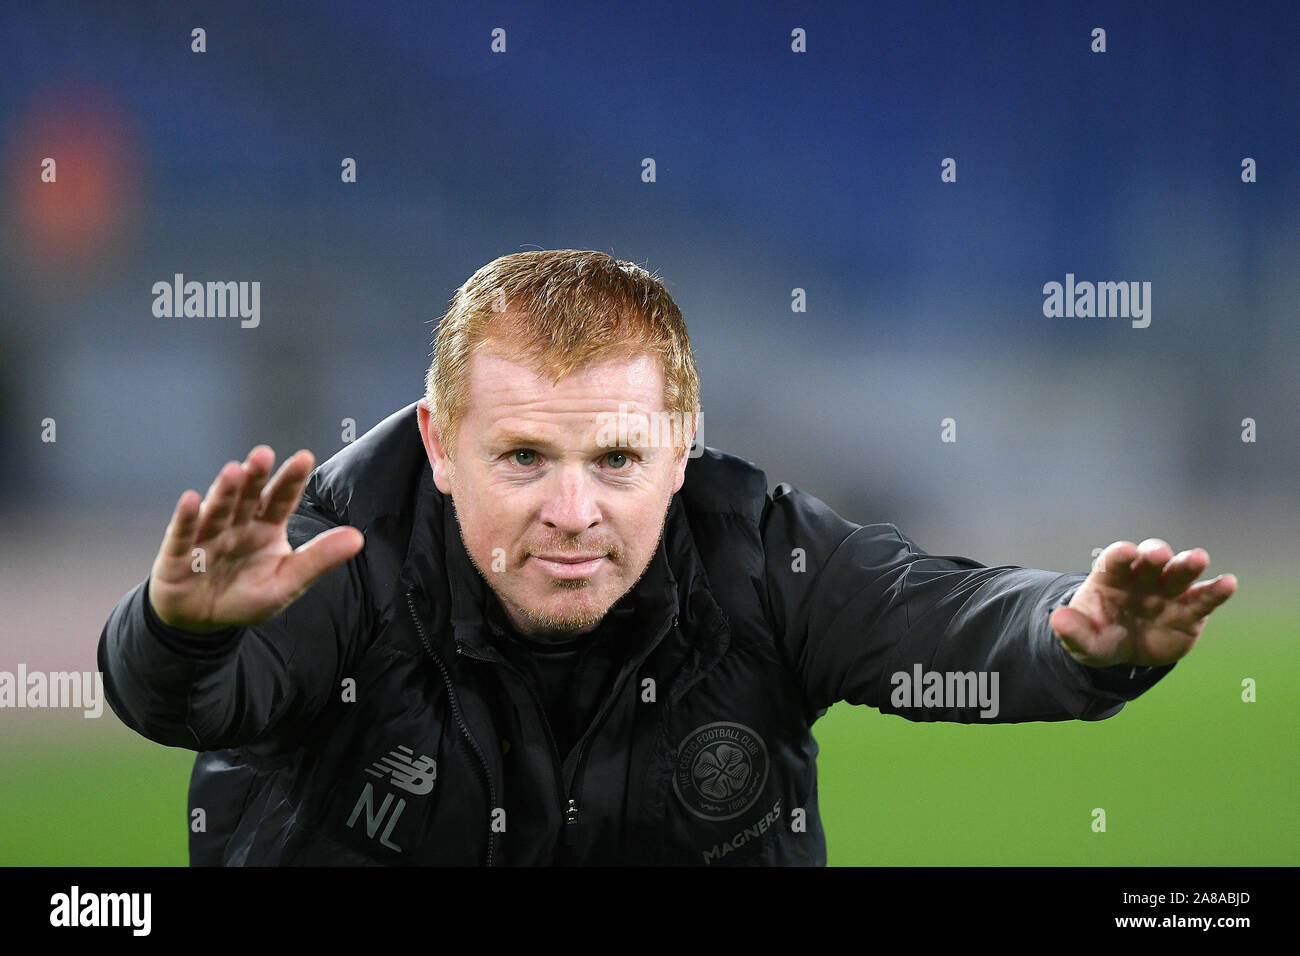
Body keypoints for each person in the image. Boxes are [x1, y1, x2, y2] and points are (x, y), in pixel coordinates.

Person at [97, 249, 1238, 866]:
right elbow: (187, 695)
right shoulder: (338, 548)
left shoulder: (755, 550)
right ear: (441, 445)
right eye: (525, 455)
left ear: (683, 447)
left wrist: (1074, 638)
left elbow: (935, 613)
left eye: (618, 458)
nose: (572, 510)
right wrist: (180, 625)